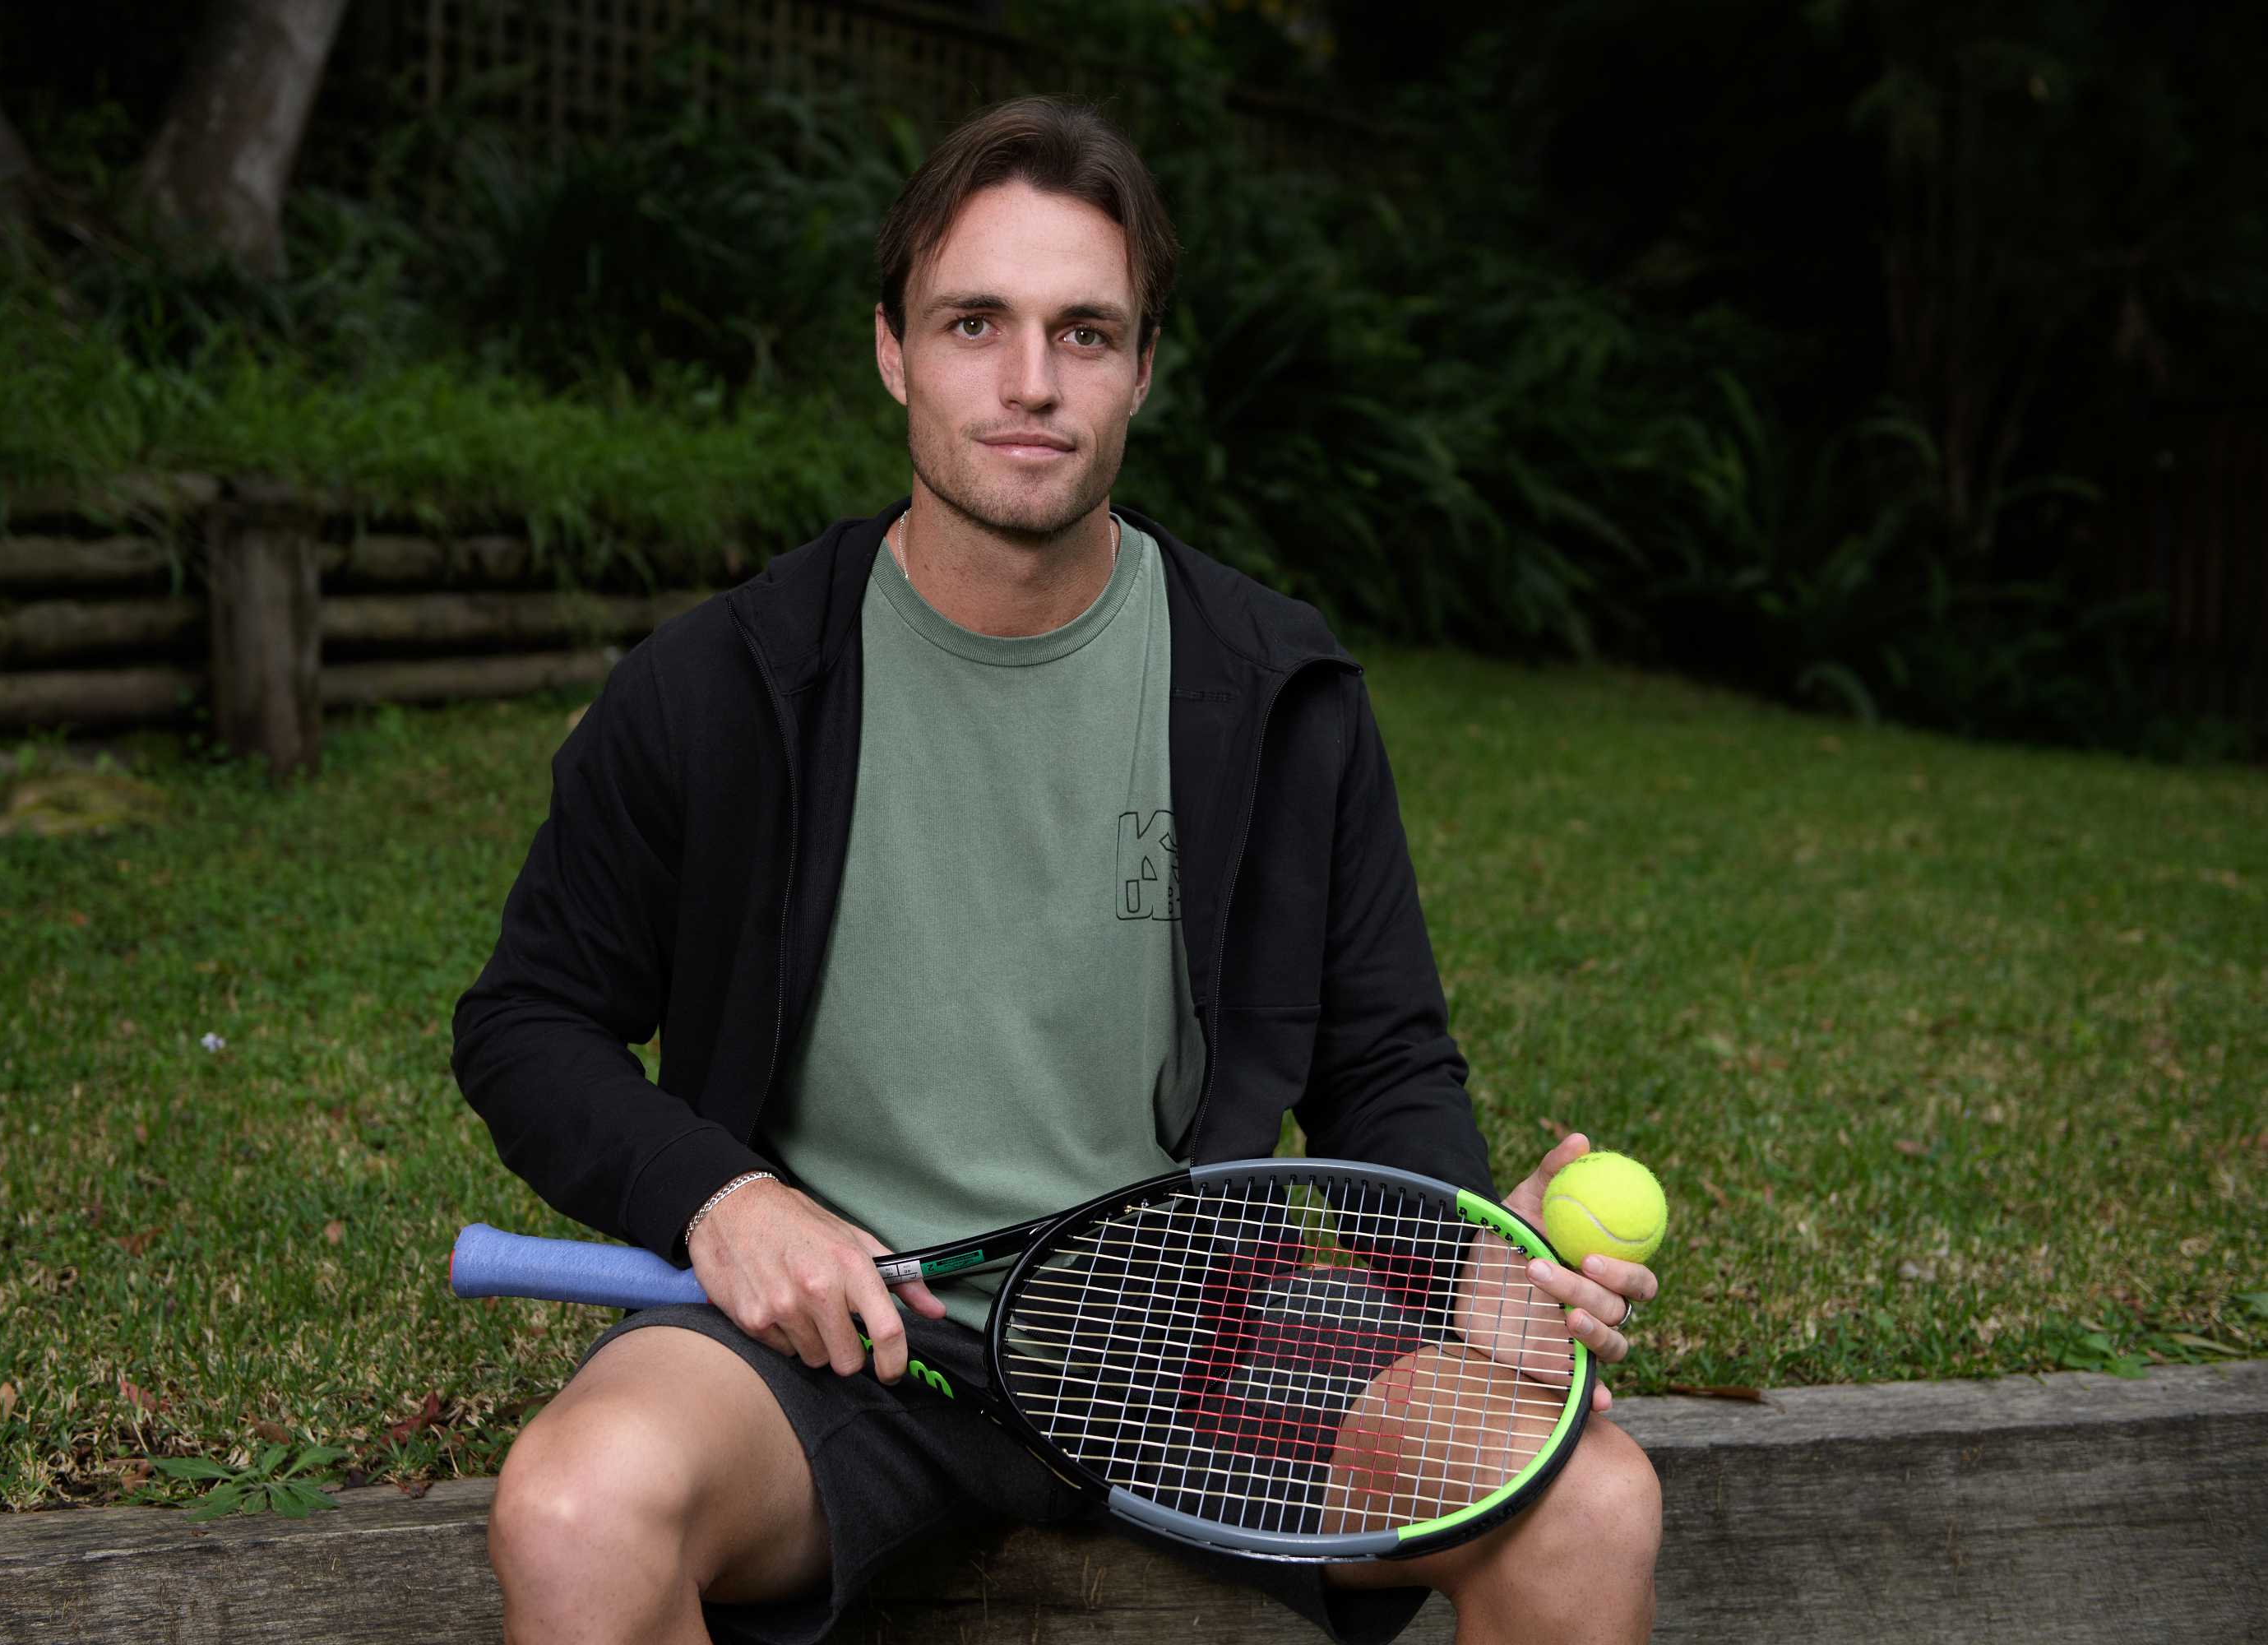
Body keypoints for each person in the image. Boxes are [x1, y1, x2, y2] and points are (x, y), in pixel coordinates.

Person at [451, 95, 1662, 1645]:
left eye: (1085, 334)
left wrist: (1460, 1267)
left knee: (1589, 1503)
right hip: (845, 1349)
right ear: (892, 348)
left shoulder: (1275, 692)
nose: (1031, 383)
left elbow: (1382, 1065)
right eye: (977, 323)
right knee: (574, 1506)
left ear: (1144, 369)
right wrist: (723, 1196)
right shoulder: (726, 687)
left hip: (1196, 1343)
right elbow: (528, 1021)